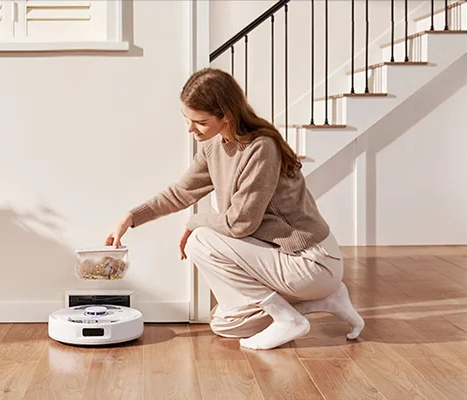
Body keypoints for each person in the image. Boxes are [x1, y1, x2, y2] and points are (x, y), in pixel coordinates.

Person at [105, 67, 364, 350]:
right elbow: (181, 192)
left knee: (199, 240)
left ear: (226, 116)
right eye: (187, 119)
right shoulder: (213, 146)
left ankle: (290, 317)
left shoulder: (261, 148)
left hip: (311, 260)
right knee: (225, 324)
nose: (190, 129)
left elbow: (241, 224)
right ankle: (323, 300)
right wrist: (130, 217)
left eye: (200, 122)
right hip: (283, 258)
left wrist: (194, 222)